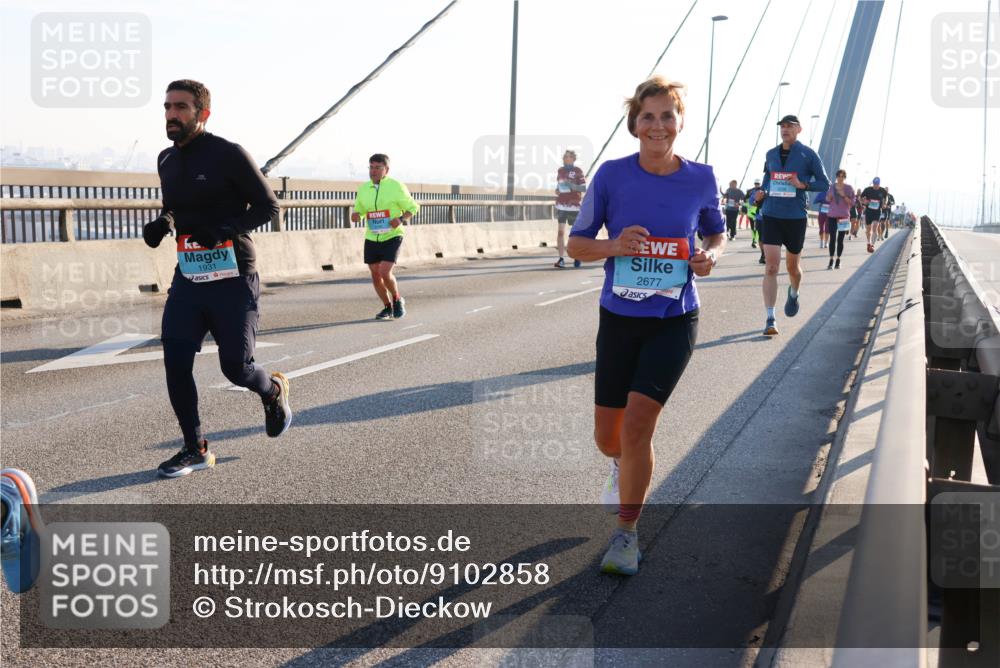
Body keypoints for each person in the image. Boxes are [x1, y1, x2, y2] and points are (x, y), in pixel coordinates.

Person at [566, 76, 725, 576]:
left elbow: (716, 233)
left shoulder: (701, 178)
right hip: (619, 318)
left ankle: (626, 535)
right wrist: (616, 247)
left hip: (673, 319)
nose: (658, 126)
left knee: (638, 426)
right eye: (648, 116)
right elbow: (576, 244)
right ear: (634, 123)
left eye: (667, 116)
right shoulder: (612, 176)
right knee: (608, 439)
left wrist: (709, 257)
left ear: (680, 123)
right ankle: (619, 464)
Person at [143, 79, 292, 478]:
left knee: (235, 367)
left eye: (181, 108)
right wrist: (164, 222)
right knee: (175, 361)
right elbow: (175, 206)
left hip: (232, 277)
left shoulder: (228, 154)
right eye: (167, 107)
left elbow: (268, 207)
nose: (171, 115)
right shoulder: (166, 160)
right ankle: (195, 448)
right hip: (190, 277)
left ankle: (272, 390)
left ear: (202, 114)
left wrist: (224, 231)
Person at [754, 114, 830, 336]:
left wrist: (802, 184)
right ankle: (770, 318)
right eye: (782, 126)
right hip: (771, 214)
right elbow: (768, 180)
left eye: (790, 126)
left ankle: (794, 293)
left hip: (795, 217)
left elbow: (825, 183)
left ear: (799, 130)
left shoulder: (808, 154)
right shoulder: (770, 154)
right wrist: (761, 194)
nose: (785, 129)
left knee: (792, 269)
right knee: (771, 267)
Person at [350, 154, 420, 319]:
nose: (373, 171)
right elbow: (359, 210)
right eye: (371, 167)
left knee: (384, 271)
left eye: (377, 168)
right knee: (375, 274)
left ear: (386, 170)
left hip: (392, 235)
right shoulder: (364, 188)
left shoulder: (396, 186)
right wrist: (356, 216)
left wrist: (401, 219)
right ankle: (387, 307)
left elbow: (413, 208)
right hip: (372, 236)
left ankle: (397, 299)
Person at [554, 150, 586, 268]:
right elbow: (558, 186)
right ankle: (561, 259)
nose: (566, 158)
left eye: (568, 157)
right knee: (560, 232)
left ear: (573, 159)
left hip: (574, 206)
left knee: (574, 234)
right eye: (565, 156)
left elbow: (583, 188)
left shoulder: (578, 171)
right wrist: (557, 190)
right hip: (562, 204)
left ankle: (576, 256)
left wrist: (571, 186)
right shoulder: (560, 171)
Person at [825, 169, 855, 269]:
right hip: (832, 216)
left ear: (844, 178)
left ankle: (838, 259)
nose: (840, 178)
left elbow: (852, 203)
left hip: (843, 216)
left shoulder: (849, 188)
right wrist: (829, 197)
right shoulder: (832, 187)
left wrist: (844, 195)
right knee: (832, 238)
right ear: (836, 177)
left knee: (840, 240)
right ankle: (831, 260)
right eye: (839, 176)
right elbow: (827, 199)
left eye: (842, 176)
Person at [860, 177, 887, 253]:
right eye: (874, 184)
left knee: (875, 228)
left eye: (877, 184)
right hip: (869, 211)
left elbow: (886, 197)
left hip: (877, 212)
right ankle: (868, 243)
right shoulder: (868, 189)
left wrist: (884, 203)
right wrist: (864, 202)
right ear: (873, 183)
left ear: (879, 184)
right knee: (868, 229)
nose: (875, 185)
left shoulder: (882, 191)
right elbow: (860, 197)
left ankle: (872, 244)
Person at [745, 179, 763, 250]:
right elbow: (745, 199)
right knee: (754, 228)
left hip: (758, 213)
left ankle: (755, 241)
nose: (756, 185)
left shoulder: (762, 190)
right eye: (756, 183)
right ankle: (754, 241)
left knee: (756, 228)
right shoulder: (750, 191)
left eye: (758, 184)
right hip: (752, 213)